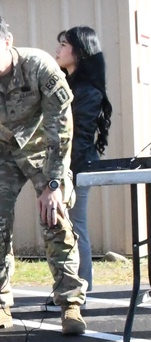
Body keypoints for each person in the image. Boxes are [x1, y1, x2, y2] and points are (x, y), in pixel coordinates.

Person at [0, 14, 86, 335]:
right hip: (4, 149)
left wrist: (54, 183)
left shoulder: (40, 67)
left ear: (7, 42)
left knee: (54, 217)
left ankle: (70, 305)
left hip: (44, 146)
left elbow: (62, 127)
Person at [55, 25, 113, 293]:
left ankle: (80, 289)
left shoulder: (88, 91)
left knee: (75, 229)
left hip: (77, 167)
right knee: (60, 231)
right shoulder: (63, 83)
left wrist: (64, 173)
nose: (58, 49)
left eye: (64, 44)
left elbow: (78, 137)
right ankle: (67, 288)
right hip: (60, 168)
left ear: (78, 52)